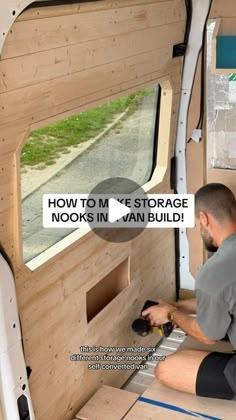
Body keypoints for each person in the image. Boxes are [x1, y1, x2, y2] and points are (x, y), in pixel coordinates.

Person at [142, 183, 236, 400]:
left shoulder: (215, 270)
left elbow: (207, 336)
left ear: (204, 219)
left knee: (166, 369)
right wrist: (178, 306)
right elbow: (225, 296)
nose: (198, 230)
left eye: (196, 225)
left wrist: (171, 315)